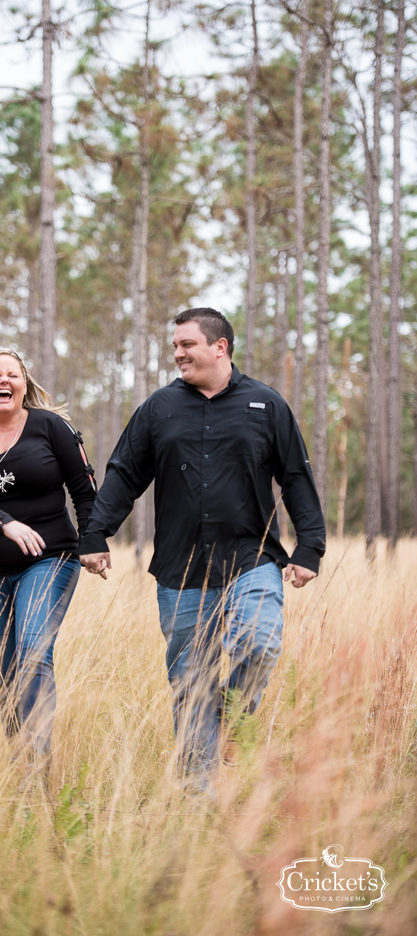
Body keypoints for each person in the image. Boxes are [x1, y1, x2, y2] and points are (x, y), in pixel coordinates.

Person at [79, 308, 326, 795]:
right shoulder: (158, 408)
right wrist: (94, 533)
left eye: (187, 344)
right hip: (181, 569)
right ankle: (197, 796)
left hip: (252, 559)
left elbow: (295, 475)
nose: (178, 353)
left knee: (259, 643)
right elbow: (125, 473)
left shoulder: (266, 405)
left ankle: (232, 724)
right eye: (175, 345)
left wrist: (310, 546)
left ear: (220, 347)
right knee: (191, 682)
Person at [0, 347, 96, 771]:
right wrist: (3, 522)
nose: (3, 381)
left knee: (32, 653)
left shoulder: (52, 426)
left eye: (12, 375)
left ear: (24, 384)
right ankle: (22, 762)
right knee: (5, 675)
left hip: (50, 558)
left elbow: (84, 488)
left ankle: (38, 768)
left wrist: (93, 540)